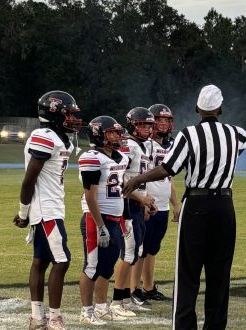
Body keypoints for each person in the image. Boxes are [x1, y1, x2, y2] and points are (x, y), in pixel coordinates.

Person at [123, 84, 246, 330]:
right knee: (220, 273)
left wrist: (138, 178)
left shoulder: (188, 134)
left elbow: (168, 169)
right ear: (220, 109)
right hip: (224, 205)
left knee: (188, 273)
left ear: (197, 108)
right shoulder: (234, 133)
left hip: (197, 204)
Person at [12, 90, 82, 330]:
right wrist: (23, 213)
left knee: (41, 261)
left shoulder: (61, 138)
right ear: (54, 114)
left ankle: (37, 318)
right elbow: (28, 180)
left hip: (52, 207)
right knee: (62, 261)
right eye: (68, 114)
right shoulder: (44, 135)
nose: (72, 119)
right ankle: (53, 318)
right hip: (46, 210)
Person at [77, 115, 130, 325]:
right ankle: (86, 311)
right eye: (112, 132)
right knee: (92, 266)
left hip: (114, 218)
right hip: (96, 218)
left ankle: (101, 307)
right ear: (99, 134)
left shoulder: (120, 157)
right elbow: (90, 196)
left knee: (107, 266)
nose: (117, 135)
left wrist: (130, 213)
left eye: (118, 131)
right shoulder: (91, 157)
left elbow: (120, 188)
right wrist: (100, 226)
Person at [131, 104, 181, 305]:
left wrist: (175, 204)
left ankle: (148, 287)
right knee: (140, 249)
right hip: (147, 204)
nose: (163, 124)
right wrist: (142, 201)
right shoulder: (144, 145)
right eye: (159, 120)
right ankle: (133, 289)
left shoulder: (170, 146)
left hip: (162, 205)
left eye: (167, 120)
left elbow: (170, 178)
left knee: (153, 249)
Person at [112, 107, 157, 316]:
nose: (147, 129)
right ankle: (117, 300)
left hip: (136, 205)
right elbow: (120, 180)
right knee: (128, 252)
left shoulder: (142, 146)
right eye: (142, 125)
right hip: (127, 205)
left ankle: (125, 297)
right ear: (132, 125)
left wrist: (145, 201)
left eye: (149, 125)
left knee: (136, 251)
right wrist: (141, 199)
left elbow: (138, 179)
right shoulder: (128, 146)